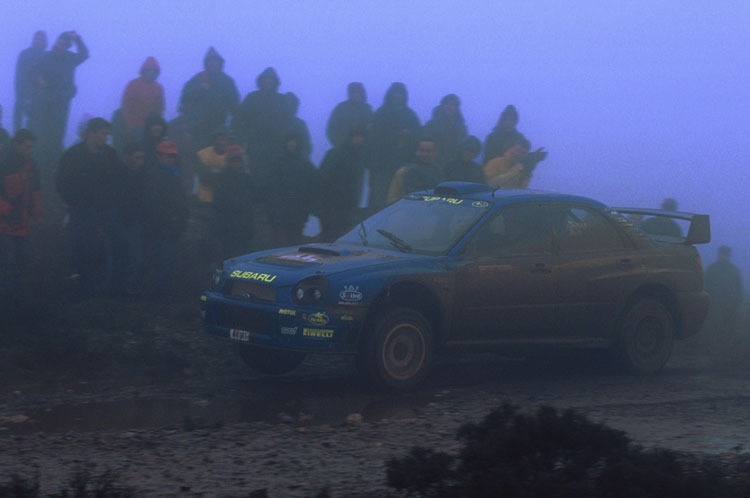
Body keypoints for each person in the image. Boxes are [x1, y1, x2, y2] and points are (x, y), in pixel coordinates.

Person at [56, 118, 123, 296]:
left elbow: (118, 182)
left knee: (105, 247)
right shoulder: (73, 155)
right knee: (83, 247)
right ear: (91, 133)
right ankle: (84, 286)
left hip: (105, 210)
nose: (106, 138)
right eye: (103, 133)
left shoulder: (110, 155)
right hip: (81, 210)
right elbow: (61, 182)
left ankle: (102, 286)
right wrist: (73, 202)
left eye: (108, 134)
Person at [28, 31, 89, 170]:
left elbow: (85, 54)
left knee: (58, 135)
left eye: (65, 43)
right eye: (60, 41)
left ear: (68, 46)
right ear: (56, 41)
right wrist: (38, 78)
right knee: (44, 134)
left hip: (62, 102)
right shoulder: (46, 57)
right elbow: (32, 72)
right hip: (46, 102)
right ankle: (41, 166)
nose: (61, 45)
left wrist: (77, 38)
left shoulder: (70, 58)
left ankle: (54, 166)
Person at [0, 129, 43, 297]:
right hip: (3, 224)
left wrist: (38, 214)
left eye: (32, 147)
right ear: (16, 145)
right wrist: (5, 209)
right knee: (7, 261)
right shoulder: (3, 164)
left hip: (23, 223)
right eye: (27, 147)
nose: (30, 151)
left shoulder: (32, 166)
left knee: (21, 260)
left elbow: (36, 193)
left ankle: (15, 296)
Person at [367, 82, 421, 209]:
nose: (397, 96)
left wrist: (409, 134)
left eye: (400, 94)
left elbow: (418, 134)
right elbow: (373, 138)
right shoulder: (380, 113)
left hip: (404, 164)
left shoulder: (410, 115)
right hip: (382, 164)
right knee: (379, 200)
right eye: (395, 93)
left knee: (400, 199)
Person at [146, 141, 189, 295]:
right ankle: (161, 292)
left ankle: (165, 290)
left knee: (169, 259)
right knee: (162, 260)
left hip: (174, 225)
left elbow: (180, 198)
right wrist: (169, 219)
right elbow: (154, 203)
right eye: (168, 155)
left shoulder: (174, 172)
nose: (171, 158)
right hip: (162, 226)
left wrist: (183, 216)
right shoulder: (155, 175)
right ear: (159, 155)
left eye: (173, 156)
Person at [231, 67, 292, 172]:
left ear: (276, 82)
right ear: (260, 81)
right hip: (254, 149)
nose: (268, 81)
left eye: (271, 79)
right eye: (265, 79)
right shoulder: (252, 98)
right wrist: (241, 140)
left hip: (276, 149)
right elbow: (238, 120)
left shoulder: (282, 100)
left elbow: (288, 124)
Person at [178, 47, 239, 149]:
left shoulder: (227, 81)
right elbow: (184, 98)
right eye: (209, 61)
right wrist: (200, 89)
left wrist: (234, 125)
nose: (212, 64)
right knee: (199, 155)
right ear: (205, 63)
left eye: (214, 61)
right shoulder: (197, 79)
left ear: (220, 63)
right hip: (197, 127)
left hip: (219, 127)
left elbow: (235, 105)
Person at [111, 142, 150, 295]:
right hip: (118, 220)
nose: (139, 161)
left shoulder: (143, 175)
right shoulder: (117, 174)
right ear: (126, 157)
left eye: (141, 158)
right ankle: (119, 287)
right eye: (136, 157)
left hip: (135, 220)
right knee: (123, 254)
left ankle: (126, 286)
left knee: (134, 254)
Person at [265, 132, 317, 247]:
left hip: (298, 216)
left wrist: (306, 211)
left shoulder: (306, 165)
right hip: (279, 216)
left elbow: (312, 190)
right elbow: (271, 189)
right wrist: (274, 211)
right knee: (279, 249)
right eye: (290, 141)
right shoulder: (277, 164)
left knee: (294, 247)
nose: (292, 144)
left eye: (295, 141)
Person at [318, 126, 367, 240]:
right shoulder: (336, 154)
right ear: (351, 137)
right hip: (331, 206)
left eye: (361, 137)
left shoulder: (358, 157)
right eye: (357, 136)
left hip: (346, 208)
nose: (359, 139)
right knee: (330, 238)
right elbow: (323, 179)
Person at [212, 145, 255, 259]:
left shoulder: (247, 178)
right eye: (233, 159)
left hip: (245, 227)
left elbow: (253, 199)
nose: (236, 162)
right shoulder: (221, 179)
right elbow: (218, 202)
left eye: (238, 159)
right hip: (228, 227)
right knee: (230, 256)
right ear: (228, 160)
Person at [115, 57, 165, 151]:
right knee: (137, 149)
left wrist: (157, 123)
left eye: (155, 71)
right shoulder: (133, 84)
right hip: (135, 126)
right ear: (144, 71)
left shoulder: (158, 88)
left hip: (150, 127)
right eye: (150, 70)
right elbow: (126, 106)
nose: (152, 72)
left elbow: (160, 107)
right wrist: (129, 124)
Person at [386, 137, 443, 204]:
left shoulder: (440, 172)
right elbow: (392, 199)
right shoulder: (403, 172)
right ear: (417, 152)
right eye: (422, 151)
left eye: (428, 151)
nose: (425, 154)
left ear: (435, 152)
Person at [704, 246, 743, 339]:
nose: (724, 256)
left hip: (728, 305)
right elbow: (706, 287)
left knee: (727, 330)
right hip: (715, 305)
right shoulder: (712, 269)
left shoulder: (733, 270)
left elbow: (738, 289)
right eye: (723, 254)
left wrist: (737, 303)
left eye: (725, 254)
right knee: (715, 330)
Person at [13, 31, 47, 132]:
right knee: (18, 126)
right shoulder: (25, 54)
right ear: (33, 40)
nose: (39, 41)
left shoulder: (47, 57)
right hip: (22, 94)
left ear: (45, 42)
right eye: (37, 38)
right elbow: (18, 75)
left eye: (42, 39)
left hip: (38, 98)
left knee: (34, 126)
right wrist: (20, 94)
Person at [422, 94, 467, 164]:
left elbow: (463, 146)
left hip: (454, 164)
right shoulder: (431, 124)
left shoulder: (461, 127)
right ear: (442, 106)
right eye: (447, 104)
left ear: (457, 108)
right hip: (433, 162)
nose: (449, 107)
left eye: (453, 105)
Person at [325, 82, 372, 148]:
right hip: (344, 151)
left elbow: (373, 130)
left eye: (359, 92)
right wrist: (347, 142)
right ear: (350, 94)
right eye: (354, 92)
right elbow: (331, 131)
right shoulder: (341, 109)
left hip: (365, 151)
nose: (357, 94)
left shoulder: (368, 110)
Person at [285, 92, 312, 158]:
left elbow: (308, 148)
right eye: (289, 105)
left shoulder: (300, 124)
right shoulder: (275, 124)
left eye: (293, 106)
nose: (292, 108)